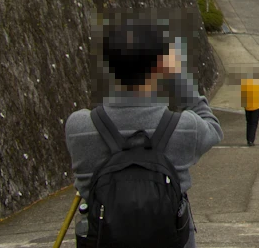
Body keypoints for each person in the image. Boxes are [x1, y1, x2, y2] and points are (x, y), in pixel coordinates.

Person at [65, 19, 223, 248]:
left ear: (106, 67)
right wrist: (178, 78)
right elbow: (213, 127)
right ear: (160, 67)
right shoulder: (185, 127)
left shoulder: (78, 127)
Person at [240, 69, 259, 146]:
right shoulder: (258, 84)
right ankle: (251, 140)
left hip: (247, 107)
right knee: (254, 124)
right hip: (255, 107)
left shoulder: (244, 84)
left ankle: (248, 139)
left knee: (248, 123)